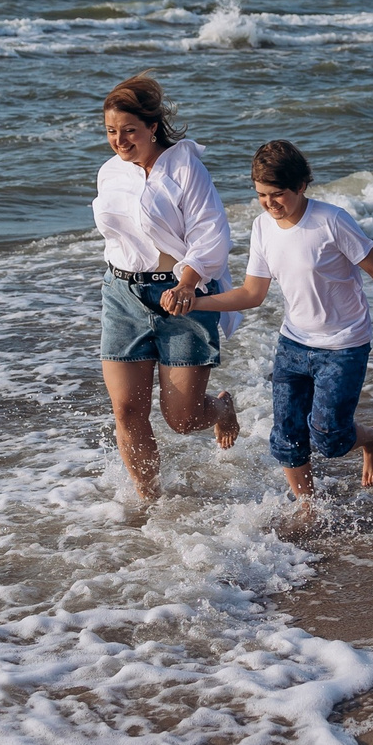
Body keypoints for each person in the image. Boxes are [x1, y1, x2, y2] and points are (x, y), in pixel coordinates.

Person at [192, 140, 373, 501]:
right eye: (261, 195)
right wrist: (197, 302)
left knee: (330, 439)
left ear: (301, 186)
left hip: (343, 345)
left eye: (277, 194)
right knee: (286, 435)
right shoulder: (262, 227)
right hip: (293, 343)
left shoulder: (331, 221)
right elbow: (252, 294)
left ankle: (371, 437)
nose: (270, 203)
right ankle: (308, 504)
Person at [92, 74, 240, 501]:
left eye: (129, 131)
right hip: (122, 295)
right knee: (126, 410)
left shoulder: (185, 167)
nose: (119, 141)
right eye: (111, 132)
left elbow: (211, 234)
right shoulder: (110, 173)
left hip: (182, 297)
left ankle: (222, 408)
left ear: (152, 127)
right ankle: (149, 500)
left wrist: (189, 283)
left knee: (182, 417)